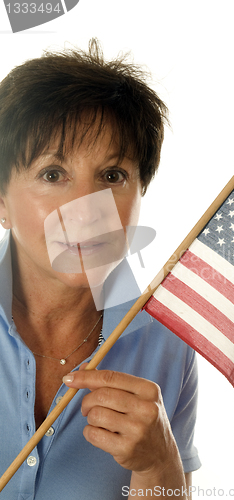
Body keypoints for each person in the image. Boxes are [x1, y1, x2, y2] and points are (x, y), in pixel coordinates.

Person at [0, 39, 200, 499]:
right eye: (53, 174)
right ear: (2, 199)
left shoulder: (170, 345)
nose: (87, 211)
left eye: (112, 177)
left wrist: (158, 465)